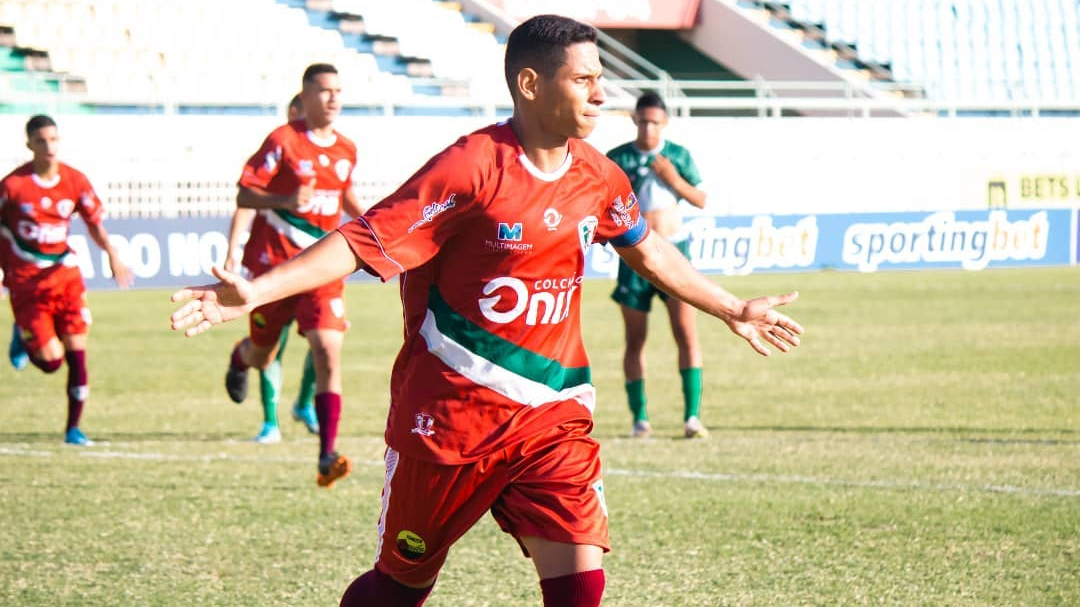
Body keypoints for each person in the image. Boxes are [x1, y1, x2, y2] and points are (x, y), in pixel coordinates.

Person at [170, 15, 803, 607]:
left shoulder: (599, 175)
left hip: (552, 415)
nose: (600, 95)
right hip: (448, 424)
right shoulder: (471, 167)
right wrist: (254, 292)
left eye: (600, 80)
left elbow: (647, 247)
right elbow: (363, 240)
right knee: (399, 585)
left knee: (581, 580)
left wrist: (730, 307)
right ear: (530, 84)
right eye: (583, 80)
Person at [227, 64, 365, 485]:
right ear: (304, 97)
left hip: (322, 269)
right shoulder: (283, 141)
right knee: (263, 354)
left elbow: (345, 196)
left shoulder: (346, 148)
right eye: (324, 91)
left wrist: (379, 231)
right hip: (274, 268)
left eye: (338, 91)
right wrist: (286, 197)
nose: (333, 99)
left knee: (327, 349)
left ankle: (327, 453)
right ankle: (241, 356)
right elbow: (245, 192)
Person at [1, 114, 133, 445]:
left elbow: (94, 224)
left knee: (77, 351)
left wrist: (112, 254)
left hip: (65, 278)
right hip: (27, 285)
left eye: (54, 139)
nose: (49, 146)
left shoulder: (74, 180)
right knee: (50, 362)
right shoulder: (13, 187)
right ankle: (22, 333)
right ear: (29, 144)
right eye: (42, 140)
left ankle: (74, 428)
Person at [606, 92, 710, 439]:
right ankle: (640, 418)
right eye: (643, 120)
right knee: (635, 338)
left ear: (665, 123)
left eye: (655, 121)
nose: (649, 126)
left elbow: (700, 198)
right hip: (633, 255)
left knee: (685, 333)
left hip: (673, 251)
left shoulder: (677, 156)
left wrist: (673, 179)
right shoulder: (618, 157)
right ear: (634, 119)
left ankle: (692, 417)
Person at [224, 92, 320, 444]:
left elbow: (341, 194)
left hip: (314, 265)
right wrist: (233, 250)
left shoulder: (326, 158)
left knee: (324, 338)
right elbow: (246, 201)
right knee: (268, 348)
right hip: (270, 262)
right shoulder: (281, 150)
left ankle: (305, 404)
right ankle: (269, 422)